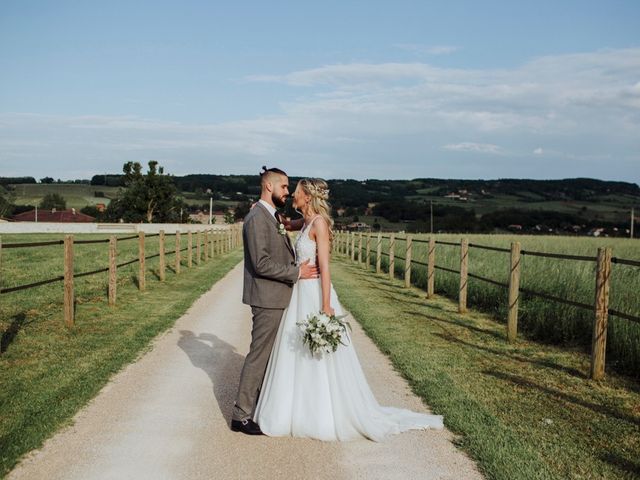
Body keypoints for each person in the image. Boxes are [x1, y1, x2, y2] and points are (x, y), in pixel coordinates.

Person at [253, 178, 444, 441]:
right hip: (299, 292)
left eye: (295, 192)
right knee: (294, 349)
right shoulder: (305, 221)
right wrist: (264, 210)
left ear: (307, 196)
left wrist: (326, 304)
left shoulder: (318, 223)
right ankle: (293, 408)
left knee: (316, 353)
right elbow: (283, 223)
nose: (291, 196)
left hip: (314, 292)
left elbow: (325, 267)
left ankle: (319, 413)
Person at [231, 167, 319, 435]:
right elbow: (261, 264)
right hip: (267, 297)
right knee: (259, 355)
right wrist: (297, 272)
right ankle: (241, 415)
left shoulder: (272, 216)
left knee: (271, 356)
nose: (287, 192)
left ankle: (258, 406)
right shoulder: (257, 217)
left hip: (277, 297)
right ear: (269, 187)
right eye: (284, 187)